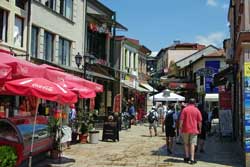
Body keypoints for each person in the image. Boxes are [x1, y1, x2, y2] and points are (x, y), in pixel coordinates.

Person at [179, 98, 202, 164]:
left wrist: (180, 128)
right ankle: (192, 159)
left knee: (186, 143)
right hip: (194, 129)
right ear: (195, 103)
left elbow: (181, 120)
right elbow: (200, 121)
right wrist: (200, 129)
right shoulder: (197, 110)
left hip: (185, 129)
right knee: (192, 144)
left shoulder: (184, 109)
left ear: (188, 102)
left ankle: (187, 157)